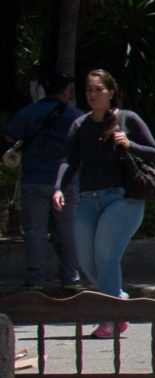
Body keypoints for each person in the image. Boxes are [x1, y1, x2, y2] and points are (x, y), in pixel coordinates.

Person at [54, 69, 155, 339]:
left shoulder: (127, 118)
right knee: (86, 261)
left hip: (122, 199)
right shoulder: (80, 125)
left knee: (106, 257)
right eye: (89, 90)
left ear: (111, 92)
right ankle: (117, 298)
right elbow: (68, 161)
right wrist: (58, 189)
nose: (93, 95)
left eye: (98, 89)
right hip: (88, 199)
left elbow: (153, 151)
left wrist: (129, 143)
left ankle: (110, 318)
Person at [4, 71, 83, 292]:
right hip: (66, 183)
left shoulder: (28, 112)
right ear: (66, 91)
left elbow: (10, 136)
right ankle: (70, 279)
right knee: (66, 231)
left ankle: (35, 281)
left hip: (34, 180)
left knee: (35, 232)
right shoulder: (75, 115)